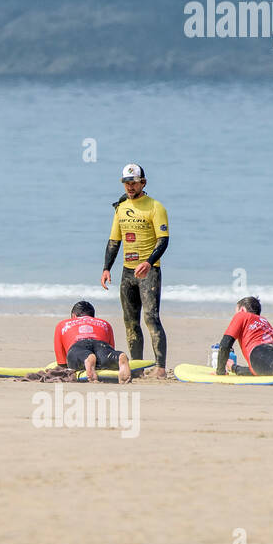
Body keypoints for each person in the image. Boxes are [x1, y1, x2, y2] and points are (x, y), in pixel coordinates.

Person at [100, 163, 170, 378]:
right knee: (130, 322)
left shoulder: (155, 207)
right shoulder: (120, 208)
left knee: (151, 318)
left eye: (133, 183)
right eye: (126, 183)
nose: (129, 187)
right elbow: (114, 240)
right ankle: (138, 367)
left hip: (149, 272)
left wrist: (149, 262)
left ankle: (159, 367)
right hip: (127, 273)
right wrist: (106, 268)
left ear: (143, 183)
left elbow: (164, 240)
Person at [52, 300, 132, 383]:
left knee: (77, 354)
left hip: (78, 345)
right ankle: (118, 357)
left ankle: (87, 358)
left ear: (73, 315)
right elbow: (111, 347)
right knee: (108, 355)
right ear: (93, 316)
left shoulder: (62, 324)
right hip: (101, 344)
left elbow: (61, 361)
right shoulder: (105, 324)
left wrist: (65, 366)